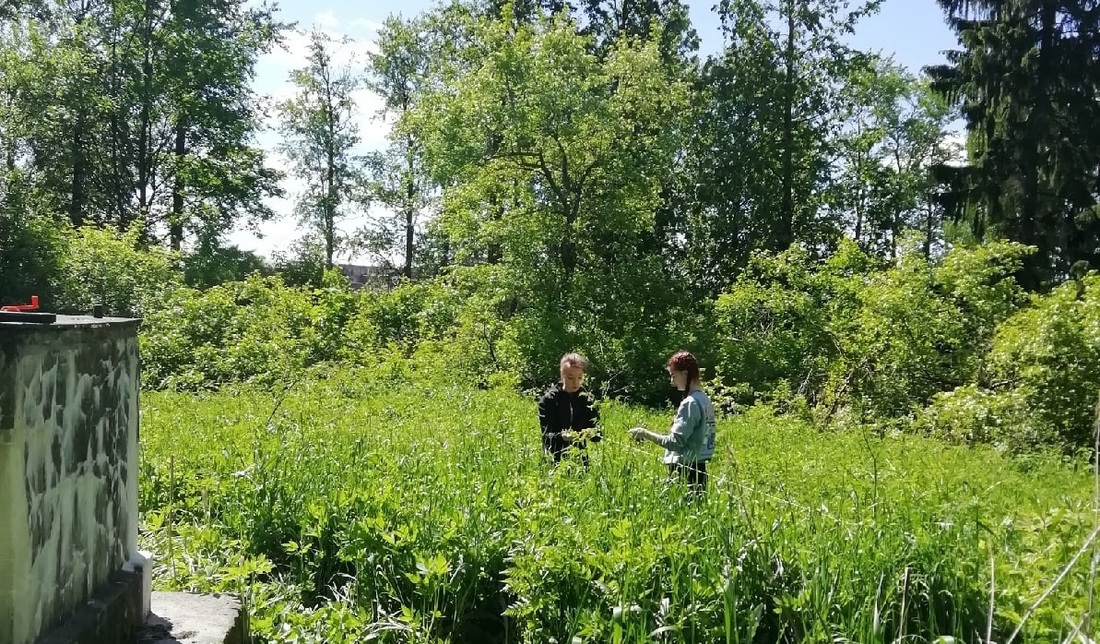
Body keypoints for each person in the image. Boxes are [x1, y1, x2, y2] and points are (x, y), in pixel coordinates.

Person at [628, 351, 717, 495]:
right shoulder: (704, 400)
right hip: (700, 471)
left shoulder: (690, 403)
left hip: (683, 472)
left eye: (673, 375)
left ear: (685, 373)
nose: (672, 381)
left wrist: (643, 433)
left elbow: (674, 443)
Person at [538, 352, 602, 464]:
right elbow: (547, 436)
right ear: (562, 376)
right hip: (554, 458)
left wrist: (590, 433)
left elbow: (598, 433)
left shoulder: (587, 399)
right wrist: (563, 436)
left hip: (580, 458)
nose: (576, 383)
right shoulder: (549, 400)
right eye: (570, 378)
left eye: (580, 377)